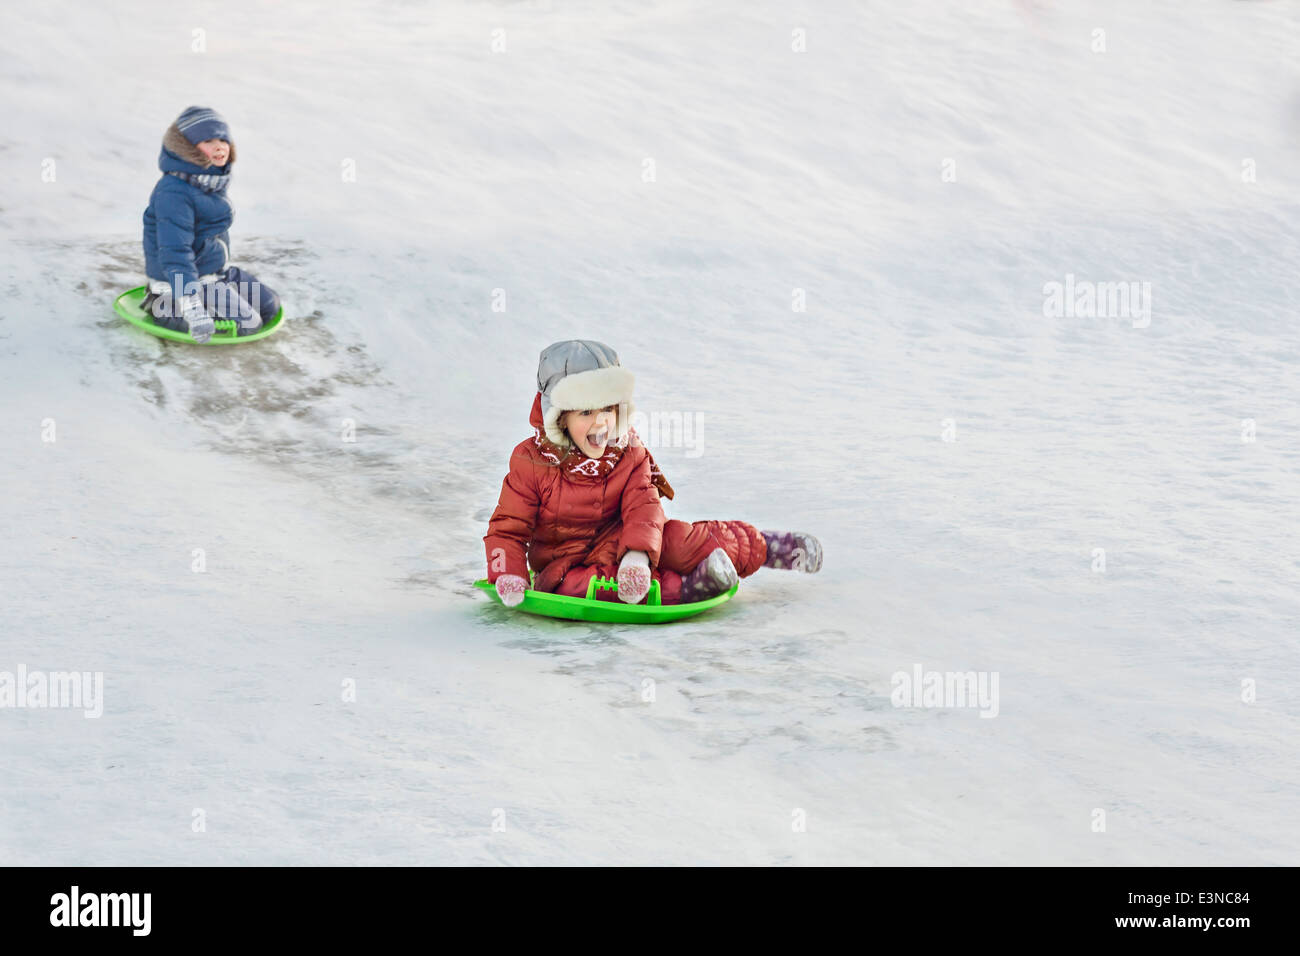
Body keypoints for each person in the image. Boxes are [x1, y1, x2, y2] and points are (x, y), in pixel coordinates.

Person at [484, 339, 822, 607]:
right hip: (565, 563)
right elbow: (507, 531)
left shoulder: (629, 452)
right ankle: (692, 587)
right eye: (586, 411)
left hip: (627, 537)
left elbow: (644, 507)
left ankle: (770, 547)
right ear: (560, 419)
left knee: (680, 540)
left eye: (608, 409)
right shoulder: (532, 462)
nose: (601, 422)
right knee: (579, 587)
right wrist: (508, 575)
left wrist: (636, 556)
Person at [140, 106, 280, 343]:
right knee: (248, 324)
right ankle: (163, 305)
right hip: (180, 281)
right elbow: (175, 252)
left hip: (214, 273)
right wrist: (192, 306)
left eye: (223, 139)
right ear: (187, 149)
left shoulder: (209, 182)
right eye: (208, 140)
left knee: (269, 306)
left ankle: (212, 294)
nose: (219, 146)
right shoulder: (173, 192)